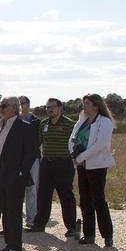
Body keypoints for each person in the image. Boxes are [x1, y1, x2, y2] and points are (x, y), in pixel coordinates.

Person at [0, 97, 39, 251]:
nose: (0, 109)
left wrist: (21, 173)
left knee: (14, 212)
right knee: (5, 211)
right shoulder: (0, 126)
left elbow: (32, 152)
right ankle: (9, 244)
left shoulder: (25, 127)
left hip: (14, 177)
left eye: (4, 106)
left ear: (14, 108)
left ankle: (16, 247)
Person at [27, 98, 79, 237]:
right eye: (47, 107)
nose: (50, 109)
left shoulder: (69, 124)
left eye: (53, 107)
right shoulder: (44, 123)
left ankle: (71, 227)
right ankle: (39, 224)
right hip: (47, 163)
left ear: (60, 108)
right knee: (43, 194)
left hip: (64, 163)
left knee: (66, 195)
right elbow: (38, 142)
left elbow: (75, 144)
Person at [70, 93, 116, 246]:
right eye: (84, 102)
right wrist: (74, 155)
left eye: (88, 102)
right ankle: (88, 234)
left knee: (98, 200)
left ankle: (107, 235)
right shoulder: (82, 120)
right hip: (82, 165)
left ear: (96, 105)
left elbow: (100, 144)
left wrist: (81, 157)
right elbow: (72, 138)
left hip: (97, 165)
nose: (84, 105)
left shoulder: (105, 121)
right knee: (85, 200)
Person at [18, 96, 41, 226]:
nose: (21, 105)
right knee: (17, 187)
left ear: (28, 104)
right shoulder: (14, 120)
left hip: (33, 158)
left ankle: (31, 217)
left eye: (23, 103)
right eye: (19, 103)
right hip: (18, 159)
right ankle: (17, 217)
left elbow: (39, 140)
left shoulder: (36, 121)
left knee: (32, 188)